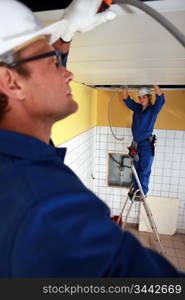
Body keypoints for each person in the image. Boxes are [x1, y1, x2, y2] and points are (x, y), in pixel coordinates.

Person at [0, 0, 183, 277]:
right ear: (11, 82)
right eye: (52, 62)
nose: (68, 72)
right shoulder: (46, 206)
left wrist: (66, 35)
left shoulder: (16, 162)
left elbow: (30, 74)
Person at [123, 85, 165, 200]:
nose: (141, 99)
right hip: (135, 143)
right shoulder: (137, 108)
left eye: (144, 97)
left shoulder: (153, 110)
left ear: (149, 97)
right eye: (140, 97)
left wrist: (155, 84)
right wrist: (125, 86)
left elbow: (161, 99)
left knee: (145, 168)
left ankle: (142, 192)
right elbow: (126, 99)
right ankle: (135, 188)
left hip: (147, 144)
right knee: (133, 166)